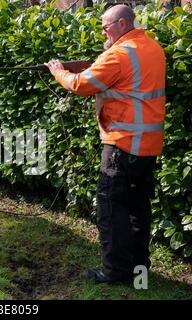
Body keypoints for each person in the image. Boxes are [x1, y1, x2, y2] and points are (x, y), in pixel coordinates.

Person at [45, 4, 166, 284]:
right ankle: (140, 271)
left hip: (121, 147)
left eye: (106, 26)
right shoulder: (152, 48)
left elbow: (80, 85)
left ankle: (115, 273)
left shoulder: (120, 54)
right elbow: (127, 81)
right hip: (148, 146)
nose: (103, 30)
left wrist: (58, 71)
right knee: (138, 210)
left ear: (123, 24)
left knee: (111, 211)